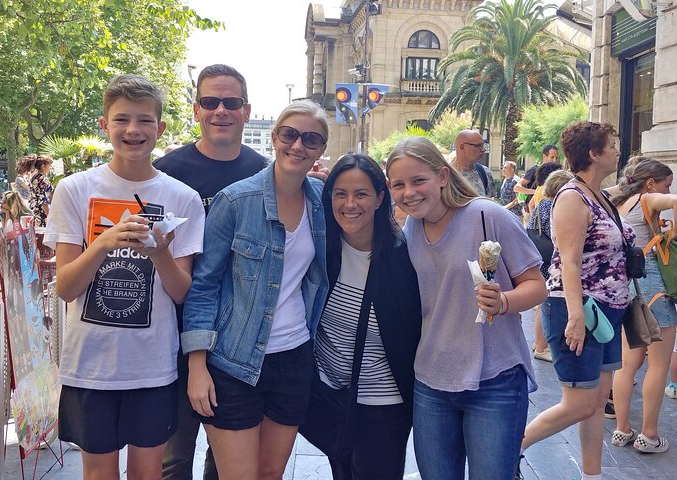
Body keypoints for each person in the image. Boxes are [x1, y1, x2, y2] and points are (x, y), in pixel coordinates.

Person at [44, 74, 206, 480]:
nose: (133, 130)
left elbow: (182, 291)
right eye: (121, 120)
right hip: (90, 363)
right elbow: (66, 287)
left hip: (152, 364)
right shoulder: (74, 189)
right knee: (99, 473)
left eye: (144, 120)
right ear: (105, 125)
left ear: (160, 128)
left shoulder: (182, 198)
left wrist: (160, 251)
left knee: (147, 472)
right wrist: (103, 242)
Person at [182, 99, 330, 480]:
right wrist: (197, 364)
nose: (298, 146)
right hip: (233, 362)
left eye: (310, 139)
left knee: (270, 475)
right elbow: (204, 285)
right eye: (290, 134)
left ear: (321, 149)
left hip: (294, 358)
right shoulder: (235, 201)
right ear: (276, 137)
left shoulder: (321, 204)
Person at [386, 136, 546, 480]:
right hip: (431, 381)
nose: (409, 192)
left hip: (495, 379)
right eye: (399, 184)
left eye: (418, 180)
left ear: (443, 176)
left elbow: (536, 287)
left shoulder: (487, 215)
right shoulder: (409, 229)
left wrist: (504, 301)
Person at [153, 64, 266, 480]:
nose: (221, 110)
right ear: (196, 109)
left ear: (247, 110)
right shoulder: (165, 173)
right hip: (171, 335)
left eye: (231, 102)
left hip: (237, 340)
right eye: (210, 102)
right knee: (173, 459)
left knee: (228, 462)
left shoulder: (265, 174)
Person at [520, 121, 633, 480]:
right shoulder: (572, 197)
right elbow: (568, 261)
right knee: (580, 403)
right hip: (580, 310)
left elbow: (624, 190)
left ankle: (592, 475)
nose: (618, 150)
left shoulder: (597, 193)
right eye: (612, 145)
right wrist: (574, 317)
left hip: (609, 311)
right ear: (594, 153)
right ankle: (507, 448)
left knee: (598, 401)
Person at [314, 154, 421, 479]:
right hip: (330, 397)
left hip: (383, 403)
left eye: (361, 194)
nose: (350, 204)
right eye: (340, 193)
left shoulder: (402, 257)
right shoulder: (321, 248)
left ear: (379, 198)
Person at [611, 157, 677, 453]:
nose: (667, 190)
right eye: (666, 184)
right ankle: (649, 435)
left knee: (627, 363)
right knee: (658, 364)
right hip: (654, 292)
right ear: (651, 183)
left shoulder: (621, 204)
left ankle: (622, 429)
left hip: (627, 290)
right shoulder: (648, 198)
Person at [528, 169, 574, 363]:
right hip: (549, 260)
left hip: (541, 257)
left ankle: (540, 343)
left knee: (542, 302)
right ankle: (540, 345)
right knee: (543, 302)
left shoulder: (542, 204)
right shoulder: (553, 205)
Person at [514, 144, 559, 212]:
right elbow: (517, 188)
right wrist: (537, 192)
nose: (554, 160)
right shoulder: (535, 169)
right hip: (531, 211)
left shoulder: (556, 172)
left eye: (556, 158)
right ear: (544, 156)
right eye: (552, 157)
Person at [452, 130, 495, 198]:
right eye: (478, 146)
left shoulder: (485, 173)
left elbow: (490, 201)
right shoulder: (444, 173)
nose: (483, 149)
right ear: (462, 147)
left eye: (483, 145)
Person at [28, 155, 54, 227]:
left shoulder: (34, 178)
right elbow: (43, 201)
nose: (50, 168)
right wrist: (49, 214)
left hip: (35, 213)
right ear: (43, 166)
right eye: (49, 166)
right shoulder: (43, 180)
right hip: (42, 215)